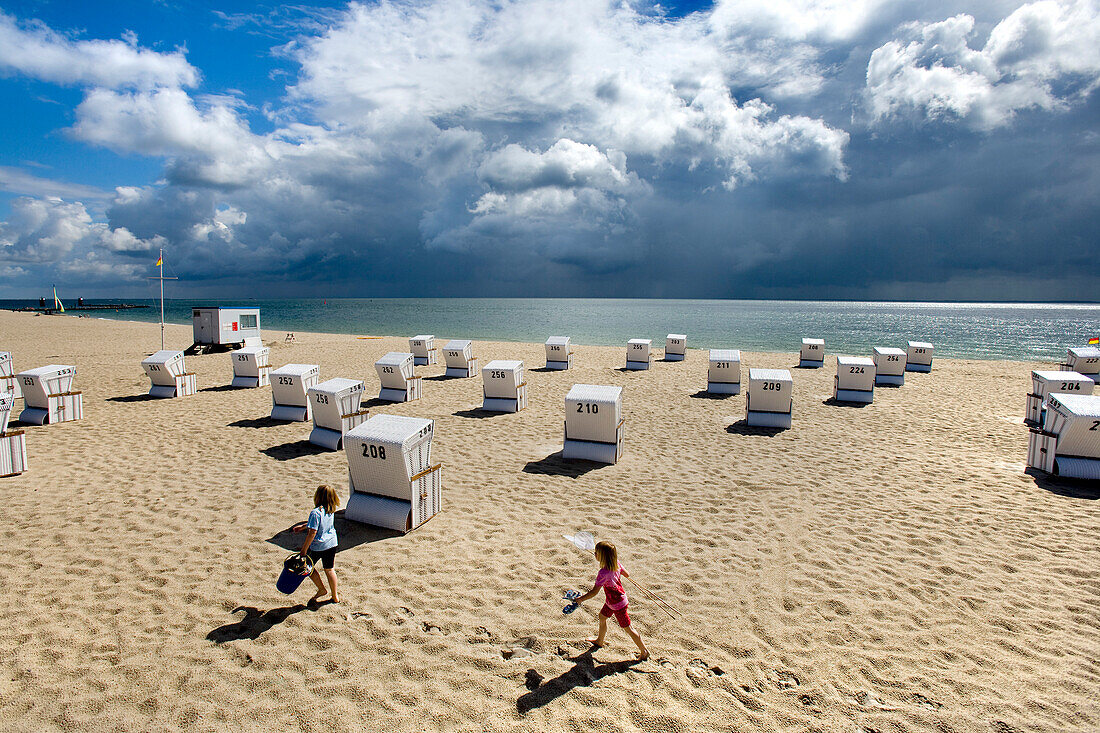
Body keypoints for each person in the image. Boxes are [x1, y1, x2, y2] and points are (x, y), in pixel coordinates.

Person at [573, 540, 649, 660]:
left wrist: (580, 599)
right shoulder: (616, 563)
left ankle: (644, 651)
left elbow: (594, 592)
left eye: (596, 552)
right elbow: (627, 574)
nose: (594, 554)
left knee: (629, 629)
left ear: (602, 556)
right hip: (614, 601)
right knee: (602, 617)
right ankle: (600, 640)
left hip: (617, 604)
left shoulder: (603, 573)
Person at [291, 485, 340, 604]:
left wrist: (303, 550)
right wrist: (303, 527)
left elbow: (312, 532)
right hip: (332, 543)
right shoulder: (331, 509)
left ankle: (322, 589)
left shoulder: (315, 512)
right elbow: (317, 523)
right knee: (329, 569)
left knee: (307, 567)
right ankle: (335, 596)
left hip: (319, 546)